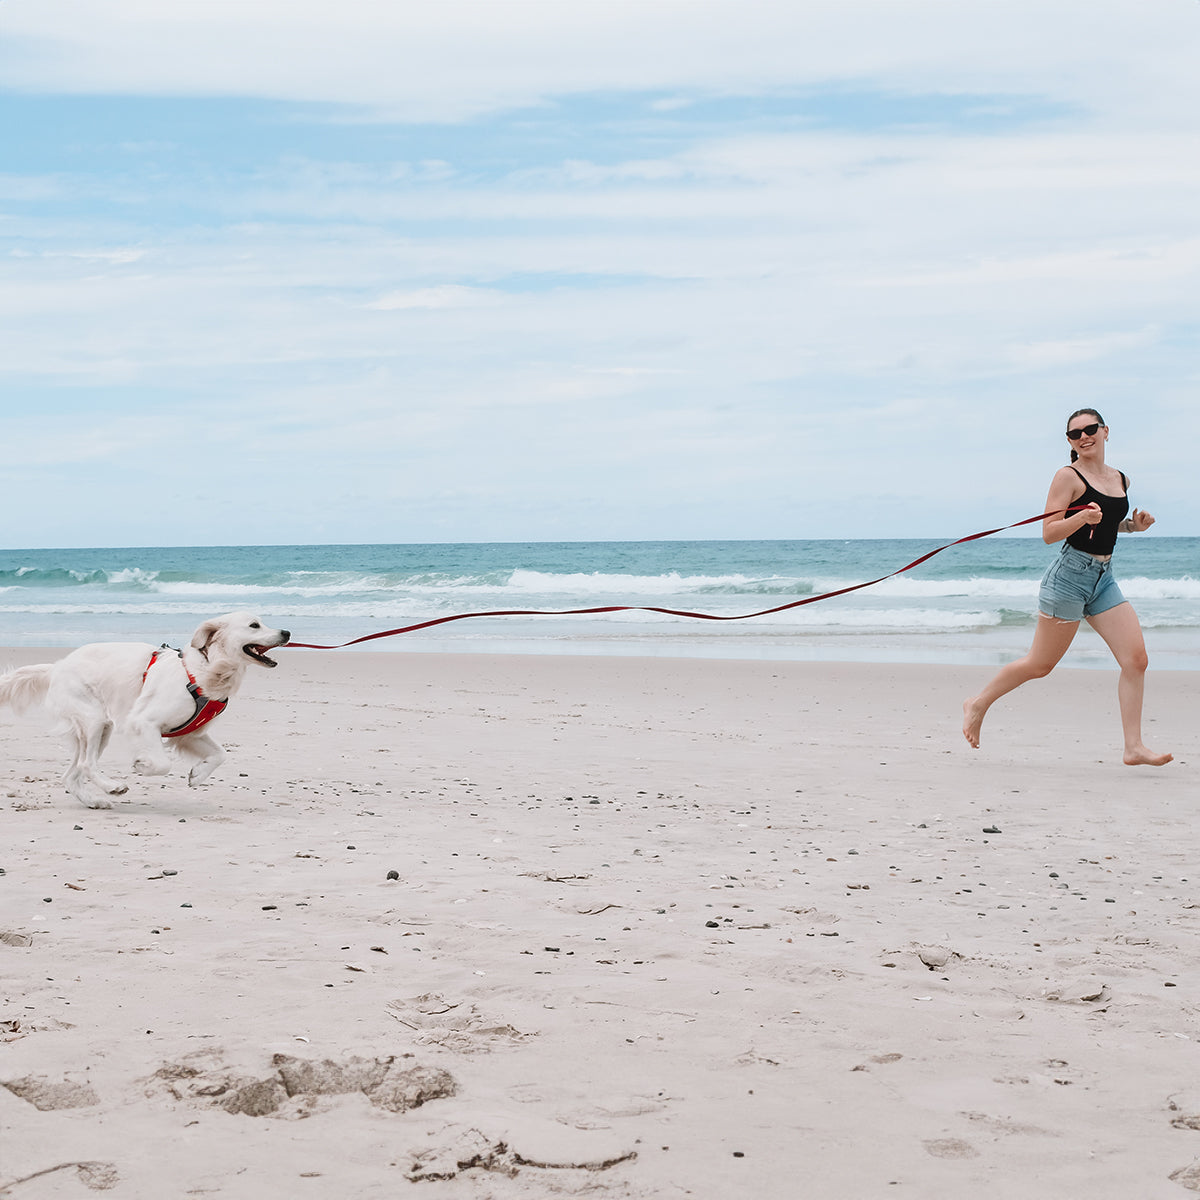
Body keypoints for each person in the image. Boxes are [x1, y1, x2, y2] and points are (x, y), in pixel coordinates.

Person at [962, 409, 1171, 766]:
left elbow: (1105, 526)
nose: (1084, 437)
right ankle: (978, 703)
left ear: (1105, 431)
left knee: (1136, 660)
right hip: (1068, 579)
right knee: (1040, 665)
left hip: (1103, 578)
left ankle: (1133, 747)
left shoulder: (1120, 477)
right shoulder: (1067, 476)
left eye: (1090, 429)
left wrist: (1133, 527)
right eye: (1075, 434)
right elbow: (1049, 533)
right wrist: (1079, 517)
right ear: (1070, 442)